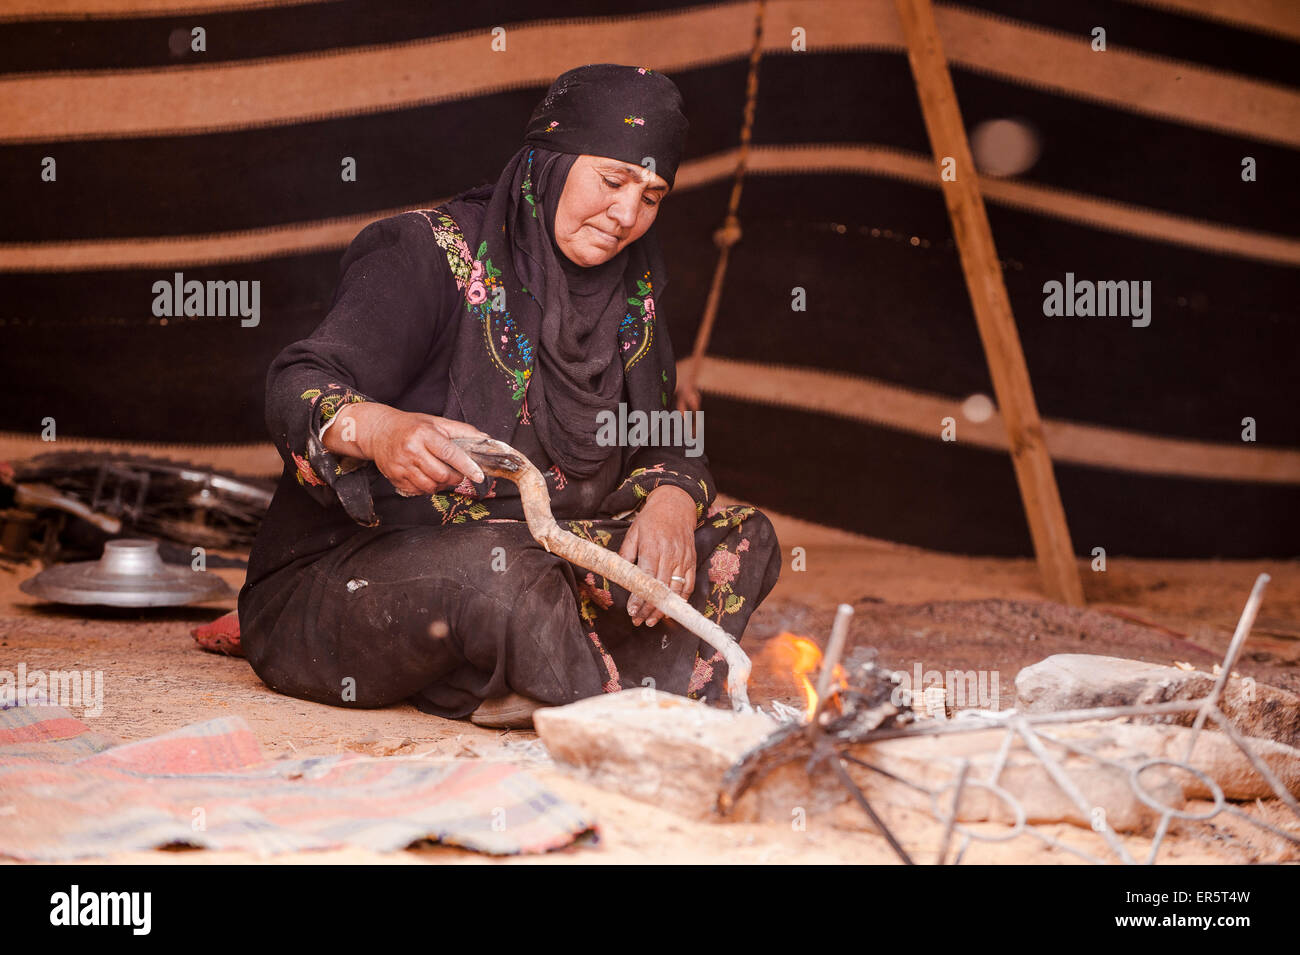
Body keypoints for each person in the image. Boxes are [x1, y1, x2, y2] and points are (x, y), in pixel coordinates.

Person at [237, 64, 781, 727]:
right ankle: (610, 705)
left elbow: (668, 439)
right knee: (505, 576)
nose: (627, 215)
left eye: (652, 195)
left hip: (548, 556)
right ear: (550, 160)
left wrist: (669, 498)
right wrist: (380, 429)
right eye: (613, 181)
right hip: (345, 580)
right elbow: (298, 382)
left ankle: (520, 677)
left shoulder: (630, 295)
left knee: (743, 538)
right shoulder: (427, 253)